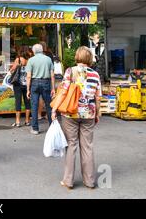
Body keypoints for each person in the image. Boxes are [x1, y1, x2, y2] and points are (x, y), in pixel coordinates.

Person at [51, 46, 102, 190]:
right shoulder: (95, 75)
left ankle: (68, 181)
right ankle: (90, 182)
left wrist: (54, 109)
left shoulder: (70, 71)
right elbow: (97, 97)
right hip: (89, 114)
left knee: (71, 145)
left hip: (70, 113)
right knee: (87, 147)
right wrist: (97, 113)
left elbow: (63, 91)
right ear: (89, 58)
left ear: (77, 56)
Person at [26, 43, 55, 135]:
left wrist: (28, 89)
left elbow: (29, 76)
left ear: (33, 51)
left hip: (34, 83)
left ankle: (35, 129)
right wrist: (53, 88)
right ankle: (52, 127)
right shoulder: (48, 59)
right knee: (48, 105)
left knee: (34, 106)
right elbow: (52, 75)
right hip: (46, 83)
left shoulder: (31, 60)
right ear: (42, 50)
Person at [9, 51, 31, 127]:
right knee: (27, 102)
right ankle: (27, 121)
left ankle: (18, 121)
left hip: (17, 84)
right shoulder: (29, 60)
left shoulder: (18, 60)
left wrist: (13, 68)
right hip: (27, 84)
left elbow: (12, 70)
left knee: (18, 101)